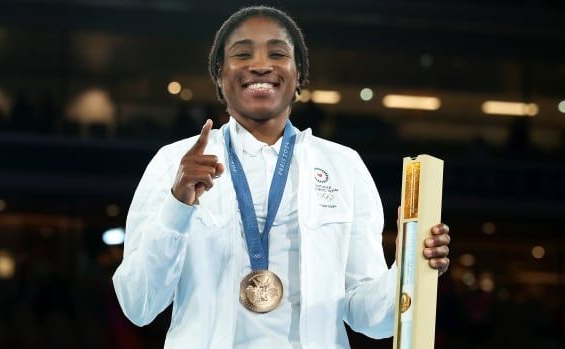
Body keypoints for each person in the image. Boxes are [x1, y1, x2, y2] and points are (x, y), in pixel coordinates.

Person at [112, 6, 450, 349]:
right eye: (242, 53)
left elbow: (369, 318)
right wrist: (177, 206)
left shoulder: (343, 166)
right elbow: (138, 306)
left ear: (298, 72)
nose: (260, 64)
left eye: (277, 53)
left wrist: (409, 266)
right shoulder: (174, 163)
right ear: (218, 72)